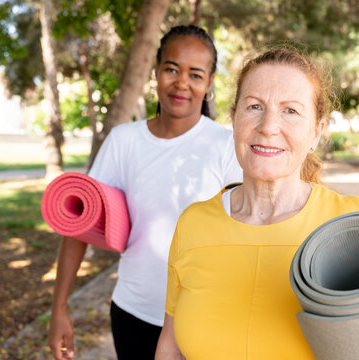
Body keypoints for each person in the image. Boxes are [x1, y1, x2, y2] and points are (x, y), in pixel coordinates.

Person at [155, 48, 359, 359]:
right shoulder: (193, 223)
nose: (268, 126)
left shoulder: (351, 224)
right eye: (254, 106)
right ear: (233, 119)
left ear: (317, 130)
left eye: (290, 111)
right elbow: (171, 346)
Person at [47, 25, 242, 360]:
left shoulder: (226, 147)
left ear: (209, 83)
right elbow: (80, 225)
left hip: (202, 319)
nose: (181, 83)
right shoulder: (125, 141)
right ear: (156, 72)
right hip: (132, 313)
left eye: (195, 75)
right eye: (171, 69)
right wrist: (59, 306)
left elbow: (246, 236)